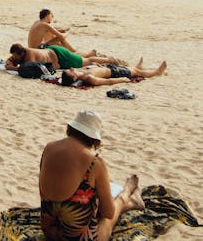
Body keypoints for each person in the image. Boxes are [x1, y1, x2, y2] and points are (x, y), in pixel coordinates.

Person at [39, 110, 145, 241]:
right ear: (94, 138)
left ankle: (128, 198)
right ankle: (127, 196)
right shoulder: (94, 162)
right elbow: (108, 212)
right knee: (108, 218)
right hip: (81, 239)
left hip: (49, 233)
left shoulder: (49, 148)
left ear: (70, 128)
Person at [28, 9, 97, 57]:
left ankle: (74, 52)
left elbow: (48, 33)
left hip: (33, 48)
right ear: (47, 15)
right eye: (51, 16)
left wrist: (58, 31)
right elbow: (61, 36)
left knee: (57, 40)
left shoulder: (37, 22)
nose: (52, 18)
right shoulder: (45, 25)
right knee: (61, 38)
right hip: (39, 49)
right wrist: (67, 33)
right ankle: (74, 52)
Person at [5, 44, 118, 72]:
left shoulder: (29, 55)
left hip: (59, 56)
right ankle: (90, 53)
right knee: (79, 58)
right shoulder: (21, 53)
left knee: (87, 61)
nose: (14, 58)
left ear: (20, 53)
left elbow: (27, 68)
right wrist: (9, 61)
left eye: (15, 56)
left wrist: (12, 68)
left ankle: (110, 60)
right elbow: (11, 59)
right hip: (54, 52)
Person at [61, 58, 167, 87]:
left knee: (130, 68)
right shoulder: (89, 78)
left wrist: (97, 65)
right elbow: (107, 82)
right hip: (114, 73)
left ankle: (138, 67)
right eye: (70, 71)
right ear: (74, 78)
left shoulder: (81, 72)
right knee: (137, 72)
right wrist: (122, 79)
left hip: (109, 68)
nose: (71, 68)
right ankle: (157, 72)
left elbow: (93, 69)